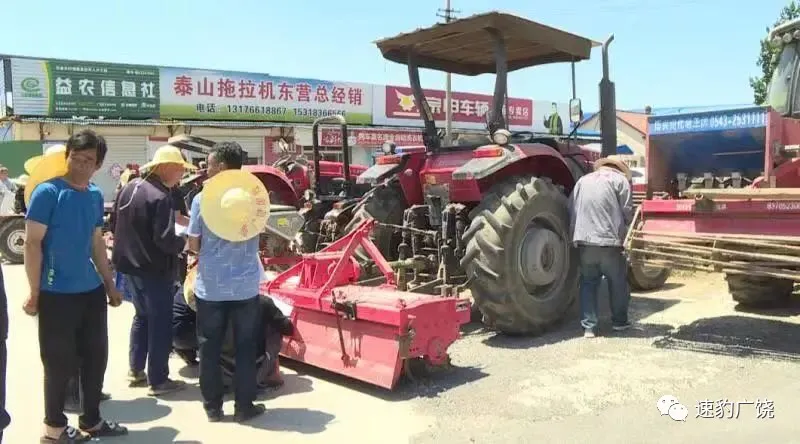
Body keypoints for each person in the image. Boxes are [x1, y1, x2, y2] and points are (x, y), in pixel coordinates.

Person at [23, 129, 128, 442]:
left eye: (90, 161)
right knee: (58, 363)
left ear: (98, 166)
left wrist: (109, 284)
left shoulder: (95, 195)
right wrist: (34, 291)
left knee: (96, 358)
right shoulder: (48, 193)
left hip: (90, 292)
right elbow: (31, 244)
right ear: (67, 155)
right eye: (77, 158)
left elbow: (96, 242)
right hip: (56, 294)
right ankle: (53, 429)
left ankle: (92, 420)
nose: (82, 165)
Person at [187, 141, 269, 423]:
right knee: (246, 347)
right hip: (245, 287)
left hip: (212, 288)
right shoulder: (256, 195)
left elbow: (193, 245)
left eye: (208, 165)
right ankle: (244, 407)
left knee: (208, 348)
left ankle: (213, 408)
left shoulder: (203, 198)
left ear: (221, 166)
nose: (206, 169)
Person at [111, 144, 195, 396]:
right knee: (160, 323)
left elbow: (114, 223)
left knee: (142, 316)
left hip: (129, 266)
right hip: (153, 268)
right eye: (180, 169)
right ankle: (158, 380)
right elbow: (165, 239)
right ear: (167, 168)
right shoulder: (161, 197)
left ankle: (136, 370)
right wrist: (187, 243)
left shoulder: (129, 187)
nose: (182, 175)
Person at [569, 157, 634, 338]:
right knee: (618, 282)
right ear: (619, 169)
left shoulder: (582, 181)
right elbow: (627, 211)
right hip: (609, 242)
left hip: (584, 241)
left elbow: (571, 207)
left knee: (588, 283)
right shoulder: (620, 181)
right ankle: (619, 323)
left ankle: (589, 327)